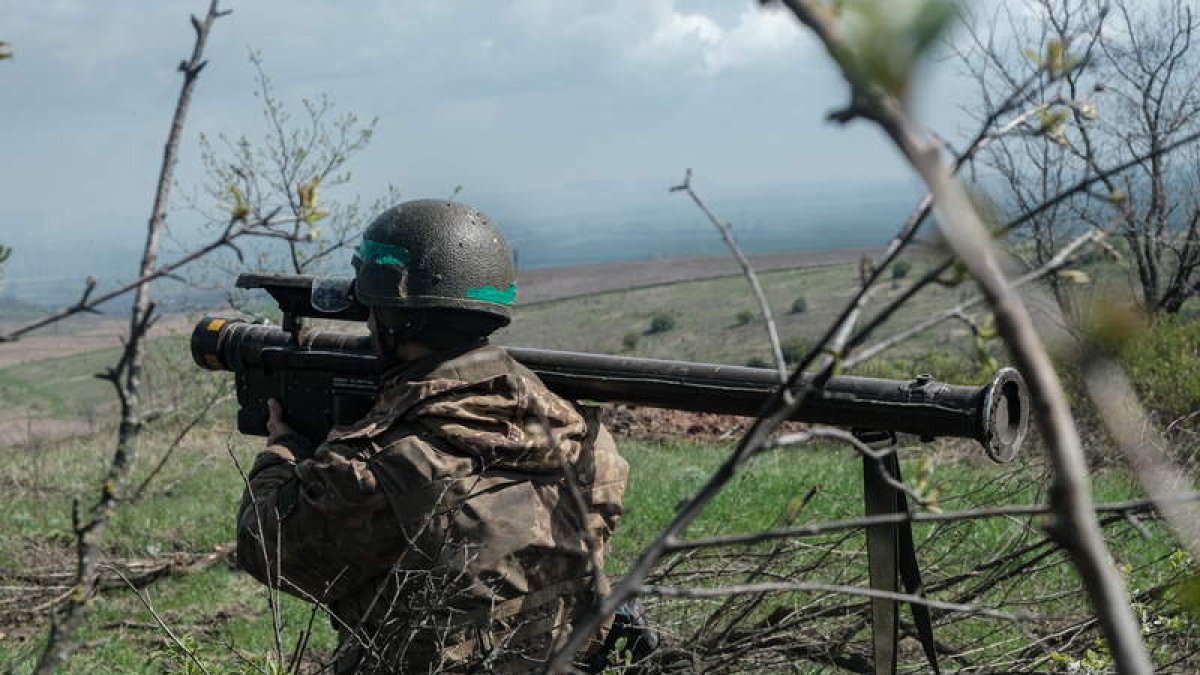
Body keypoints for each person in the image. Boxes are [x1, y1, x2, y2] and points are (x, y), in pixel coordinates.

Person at [235, 199, 631, 673]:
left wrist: (284, 451)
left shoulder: (382, 466)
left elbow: (268, 550)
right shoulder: (585, 440)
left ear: (388, 316)